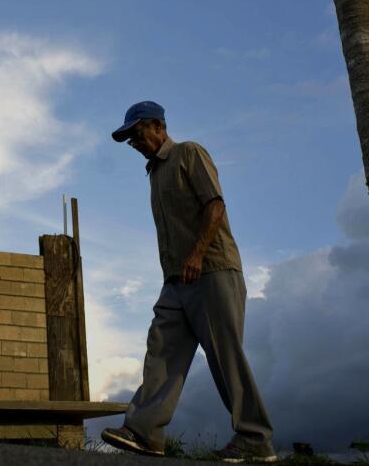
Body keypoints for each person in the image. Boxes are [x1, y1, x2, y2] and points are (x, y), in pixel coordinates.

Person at [100, 100, 277, 463]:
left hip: (212, 270)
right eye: (129, 139)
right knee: (162, 351)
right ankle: (144, 431)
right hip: (175, 281)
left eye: (136, 134)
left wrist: (197, 253)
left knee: (225, 356)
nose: (134, 143)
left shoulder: (188, 153)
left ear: (157, 127)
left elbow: (215, 204)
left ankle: (255, 438)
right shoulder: (154, 173)